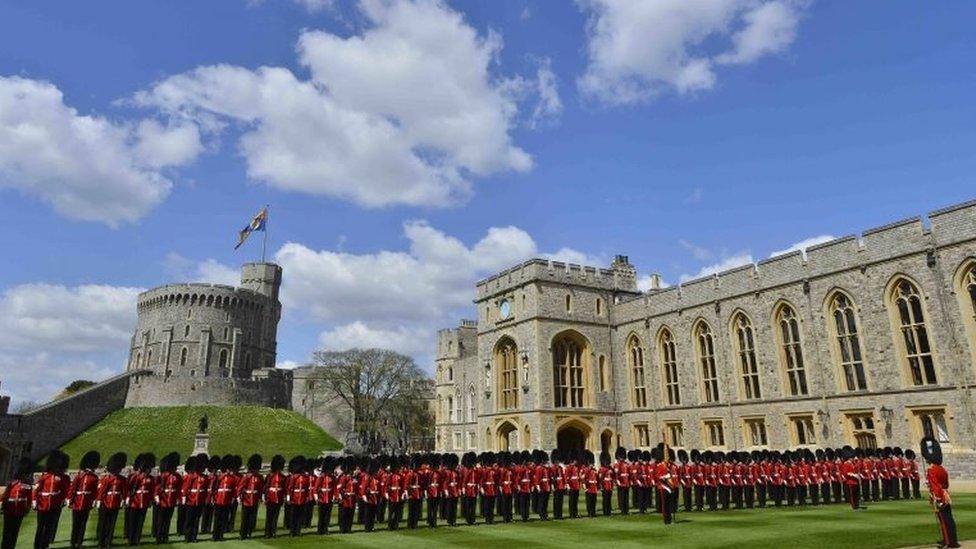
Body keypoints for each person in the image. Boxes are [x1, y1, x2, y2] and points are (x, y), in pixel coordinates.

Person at [921, 437, 959, 548]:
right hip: (945, 494)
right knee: (948, 518)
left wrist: (937, 498)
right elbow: (945, 484)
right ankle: (951, 540)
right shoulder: (941, 468)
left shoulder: (931, 470)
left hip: (940, 496)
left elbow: (935, 486)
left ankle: (948, 542)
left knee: (943, 519)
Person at [33, 450, 70, 549]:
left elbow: (64, 491)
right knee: (40, 527)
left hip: (55, 505)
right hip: (42, 504)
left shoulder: (62, 478)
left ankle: (45, 545)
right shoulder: (44, 477)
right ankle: (37, 546)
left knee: (49, 527)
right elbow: (37, 490)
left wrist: (63, 500)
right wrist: (34, 501)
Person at [67, 451, 100, 549]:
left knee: (83, 524)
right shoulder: (79, 476)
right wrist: (70, 500)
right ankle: (73, 543)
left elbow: (94, 491)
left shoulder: (94, 478)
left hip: (86, 503)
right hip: (77, 503)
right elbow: (73, 489)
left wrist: (93, 500)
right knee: (76, 524)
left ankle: (79, 543)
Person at [95, 453, 128, 549]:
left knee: (111, 524)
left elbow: (124, 491)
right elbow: (101, 491)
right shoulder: (106, 479)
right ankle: (101, 542)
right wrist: (99, 501)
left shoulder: (122, 479)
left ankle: (109, 541)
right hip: (105, 503)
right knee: (103, 524)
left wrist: (123, 500)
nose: (119, 470)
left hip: (116, 503)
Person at [2, 458, 34, 549]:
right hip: (9, 510)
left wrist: (27, 509)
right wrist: (4, 506)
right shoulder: (11, 483)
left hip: (19, 511)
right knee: (6, 532)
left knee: (14, 532)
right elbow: (5, 496)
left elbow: (29, 499)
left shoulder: (27, 485)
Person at [126, 453, 156, 545]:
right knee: (132, 522)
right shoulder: (134, 476)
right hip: (135, 501)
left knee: (140, 522)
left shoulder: (150, 478)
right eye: (148, 468)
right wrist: (127, 498)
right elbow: (128, 488)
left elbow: (151, 490)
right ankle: (130, 539)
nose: (150, 470)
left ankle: (137, 539)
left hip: (144, 502)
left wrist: (151, 500)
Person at [153, 452, 182, 544]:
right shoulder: (164, 475)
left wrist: (178, 498)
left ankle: (165, 537)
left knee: (167, 521)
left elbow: (178, 488)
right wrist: (157, 496)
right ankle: (159, 537)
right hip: (163, 500)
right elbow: (158, 487)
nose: (175, 468)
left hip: (172, 500)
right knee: (161, 520)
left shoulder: (177, 476)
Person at [263, 455, 286, 538]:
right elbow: (266, 487)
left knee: (275, 517)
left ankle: (273, 532)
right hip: (270, 498)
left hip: (278, 499)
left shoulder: (283, 477)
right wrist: (265, 498)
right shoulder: (270, 476)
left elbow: (284, 488)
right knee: (269, 517)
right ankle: (267, 533)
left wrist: (284, 498)